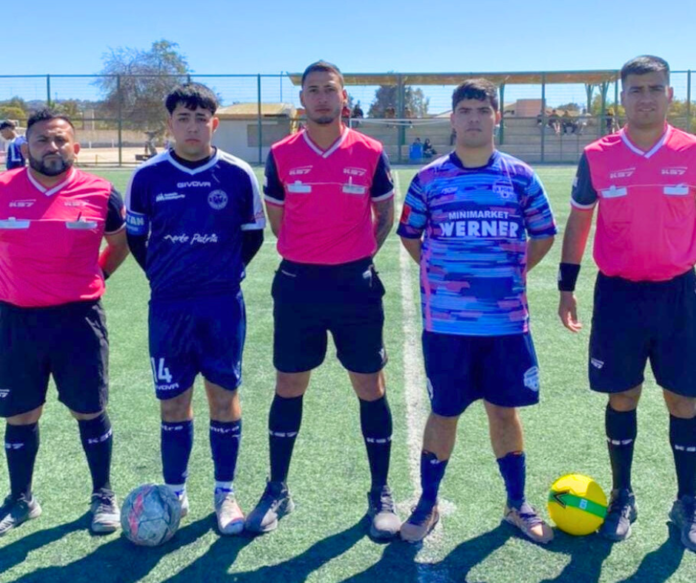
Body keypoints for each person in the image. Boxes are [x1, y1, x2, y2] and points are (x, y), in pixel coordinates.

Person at [398, 79, 557, 544]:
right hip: (447, 325)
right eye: (465, 110)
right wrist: (444, 279)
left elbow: (543, 233)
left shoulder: (521, 176)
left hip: (506, 323)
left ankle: (516, 503)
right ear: (453, 119)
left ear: (496, 117)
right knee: (443, 413)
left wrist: (509, 272)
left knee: (504, 412)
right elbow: (411, 236)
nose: (473, 118)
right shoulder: (428, 179)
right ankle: (427, 505)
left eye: (482, 110)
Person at [245, 60, 399, 540]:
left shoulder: (370, 152)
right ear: (303, 101)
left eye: (329, 89)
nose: (321, 98)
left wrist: (353, 256)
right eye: (313, 90)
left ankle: (380, 492)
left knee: (370, 387)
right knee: (289, 385)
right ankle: (277, 487)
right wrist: (311, 254)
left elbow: (385, 216)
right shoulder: (281, 154)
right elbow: (278, 218)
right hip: (298, 286)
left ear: (343, 98)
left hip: (355, 286)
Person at [558, 55, 696, 552]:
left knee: (685, 398)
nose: (645, 97)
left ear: (669, 95)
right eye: (635, 89)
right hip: (618, 295)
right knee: (623, 396)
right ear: (622, 96)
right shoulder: (597, 155)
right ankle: (622, 495)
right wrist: (566, 286)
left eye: (654, 88)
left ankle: (689, 501)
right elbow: (579, 222)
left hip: (680, 294)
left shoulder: (693, 152)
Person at [125, 83, 265, 536]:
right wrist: (168, 277)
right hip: (168, 307)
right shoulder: (147, 177)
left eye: (200, 118)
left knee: (223, 397)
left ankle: (225, 492)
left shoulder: (238, 174)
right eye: (182, 119)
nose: (191, 127)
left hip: (221, 304)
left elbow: (252, 237)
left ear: (214, 124)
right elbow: (135, 239)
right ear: (169, 124)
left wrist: (220, 274)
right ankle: (176, 492)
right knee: (173, 401)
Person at [0, 109, 129, 536]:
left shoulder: (100, 192)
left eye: (60, 140)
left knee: (89, 409)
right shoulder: (2, 189)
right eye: (42, 140)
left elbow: (119, 241)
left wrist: (100, 274)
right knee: (20, 413)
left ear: (74, 146)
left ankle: (102, 496)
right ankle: (21, 499)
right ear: (25, 146)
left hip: (79, 319)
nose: (52, 147)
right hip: (16, 321)